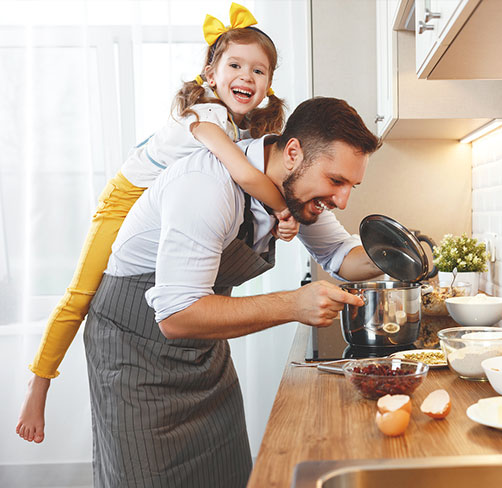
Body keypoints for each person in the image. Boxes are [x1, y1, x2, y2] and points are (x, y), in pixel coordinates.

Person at [16, 2, 298, 444]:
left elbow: (244, 191)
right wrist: (285, 209)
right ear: (210, 74)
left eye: (258, 71)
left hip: (155, 207)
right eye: (235, 65)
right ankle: (38, 384)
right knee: (81, 293)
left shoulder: (243, 131)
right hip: (125, 198)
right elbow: (245, 176)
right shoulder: (207, 116)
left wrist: (276, 221)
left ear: (268, 85)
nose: (246, 76)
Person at [84, 96, 381, 487]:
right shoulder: (207, 187)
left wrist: (403, 254)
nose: (341, 200)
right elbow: (176, 316)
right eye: (336, 181)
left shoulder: (292, 190)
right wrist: (293, 303)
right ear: (293, 152)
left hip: (203, 353)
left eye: (350, 186)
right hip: (135, 354)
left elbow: (342, 256)